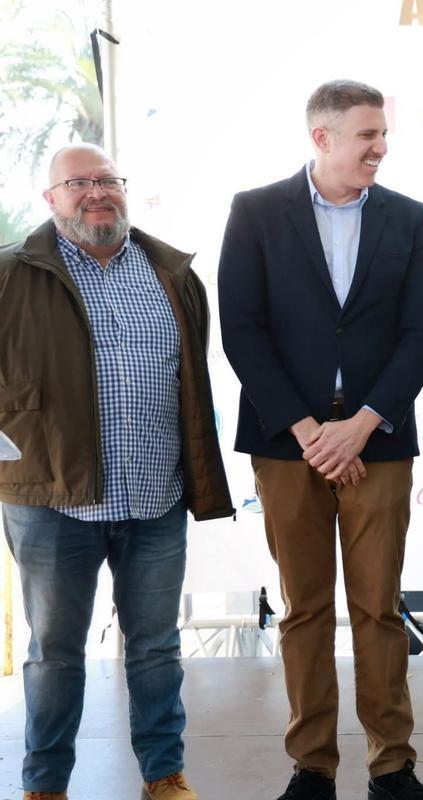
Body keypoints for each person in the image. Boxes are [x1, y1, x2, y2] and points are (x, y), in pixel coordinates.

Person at [217, 80, 423, 800]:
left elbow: (421, 334)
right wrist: (312, 430)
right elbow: (241, 329)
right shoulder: (254, 212)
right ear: (323, 138)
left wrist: (363, 423)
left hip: (377, 440)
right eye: (368, 135)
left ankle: (392, 766)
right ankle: (312, 766)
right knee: (304, 609)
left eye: (384, 134)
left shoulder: (410, 218)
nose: (382, 147)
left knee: (378, 607)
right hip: (289, 446)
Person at [0, 143, 233, 800]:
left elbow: (190, 384)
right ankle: (45, 785)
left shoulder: (173, 276)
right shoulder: (12, 275)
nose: (96, 192)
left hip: (154, 499)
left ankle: (165, 775)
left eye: (107, 180)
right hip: (52, 503)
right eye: (78, 183)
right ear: (51, 200)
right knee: (54, 655)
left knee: (156, 649)